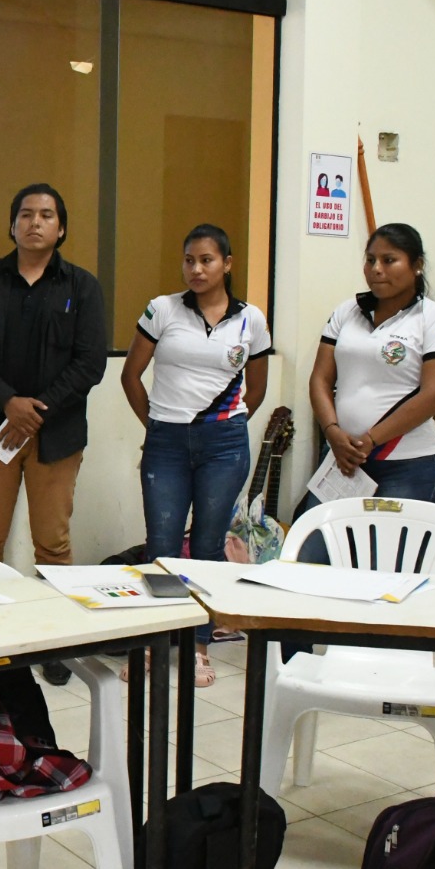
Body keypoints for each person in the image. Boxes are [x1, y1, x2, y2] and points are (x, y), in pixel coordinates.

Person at [0, 182, 107, 691]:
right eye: (25, 214)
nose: (35, 222)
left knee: (54, 544)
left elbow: (90, 362)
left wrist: (37, 411)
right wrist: (9, 403)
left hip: (55, 435)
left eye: (46, 215)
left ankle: (53, 643)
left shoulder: (82, 287)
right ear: (12, 224)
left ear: (61, 228)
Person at [121, 224, 272, 686]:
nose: (197, 269)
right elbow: (130, 375)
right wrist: (157, 426)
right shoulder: (162, 309)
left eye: (207, 260)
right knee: (162, 547)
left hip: (223, 445)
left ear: (227, 264)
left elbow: (257, 388)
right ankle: (154, 643)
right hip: (166, 442)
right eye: (189, 260)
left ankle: (199, 646)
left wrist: (225, 426)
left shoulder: (251, 320)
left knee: (207, 547)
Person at [301, 223, 435, 517]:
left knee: (385, 548)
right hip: (344, 459)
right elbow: (320, 380)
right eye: (370, 260)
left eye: (389, 260)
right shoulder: (347, 311)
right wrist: (332, 432)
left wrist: (371, 440)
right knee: (312, 544)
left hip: (409, 466)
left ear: (417, 265)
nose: (376, 269)